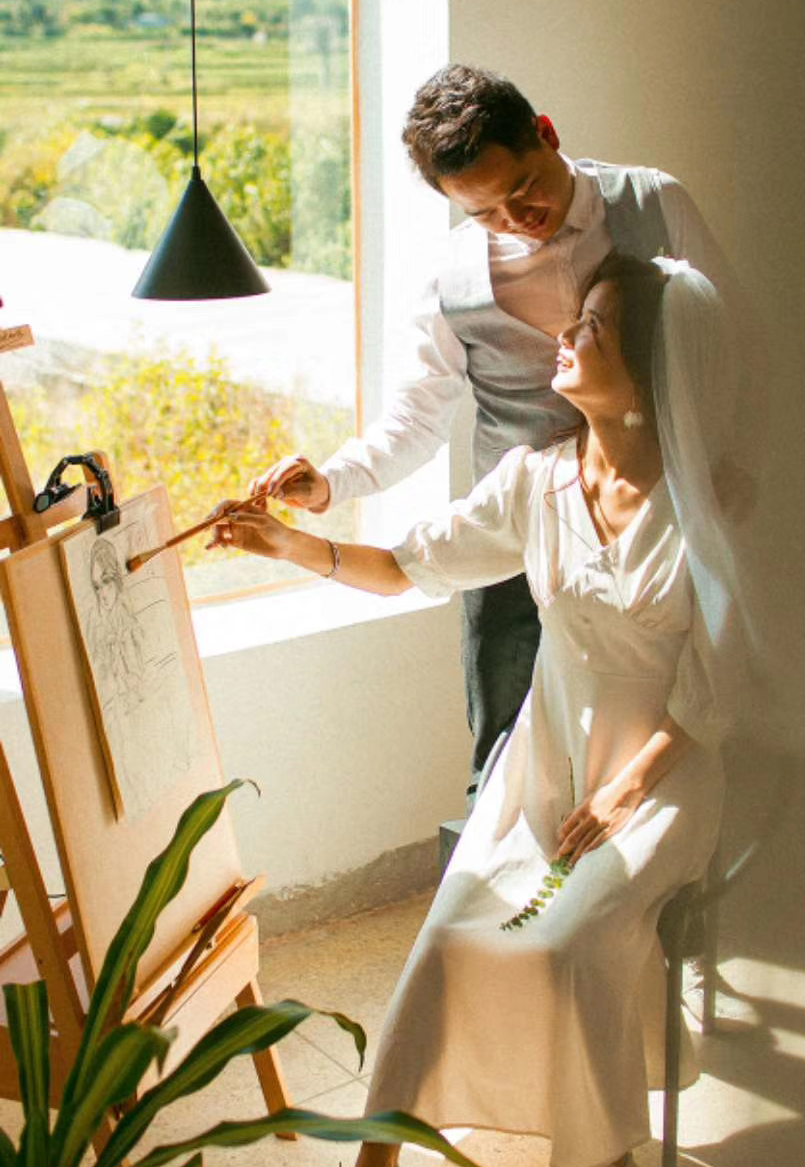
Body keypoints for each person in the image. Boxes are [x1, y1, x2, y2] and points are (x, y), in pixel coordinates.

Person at [211, 252, 748, 1167]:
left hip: (658, 778)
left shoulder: (706, 506)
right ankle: (377, 1153)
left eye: (594, 327)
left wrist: (622, 794)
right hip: (543, 767)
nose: (565, 337)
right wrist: (290, 544)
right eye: (575, 319)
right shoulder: (535, 481)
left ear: (651, 374)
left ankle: (601, 1151)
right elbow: (408, 565)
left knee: (571, 950)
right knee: (443, 946)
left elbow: (715, 689)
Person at [251, 63, 760, 802]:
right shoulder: (447, 276)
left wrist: (731, 467)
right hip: (519, 524)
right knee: (504, 748)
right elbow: (417, 416)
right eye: (485, 214)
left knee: (679, 724)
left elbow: (728, 343)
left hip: (660, 517)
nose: (517, 220)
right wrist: (333, 482)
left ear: (545, 135)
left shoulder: (655, 202)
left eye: (523, 192)